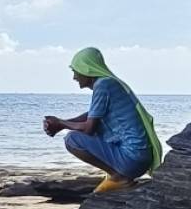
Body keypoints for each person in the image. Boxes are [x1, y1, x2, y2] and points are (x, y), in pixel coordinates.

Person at [43, 48, 164, 193]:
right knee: (82, 132)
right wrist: (60, 123)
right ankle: (119, 175)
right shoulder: (109, 84)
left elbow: (89, 128)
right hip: (140, 159)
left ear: (87, 70)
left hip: (132, 160)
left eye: (76, 71)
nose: (74, 77)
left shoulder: (103, 85)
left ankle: (118, 177)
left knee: (71, 139)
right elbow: (92, 115)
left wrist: (61, 123)